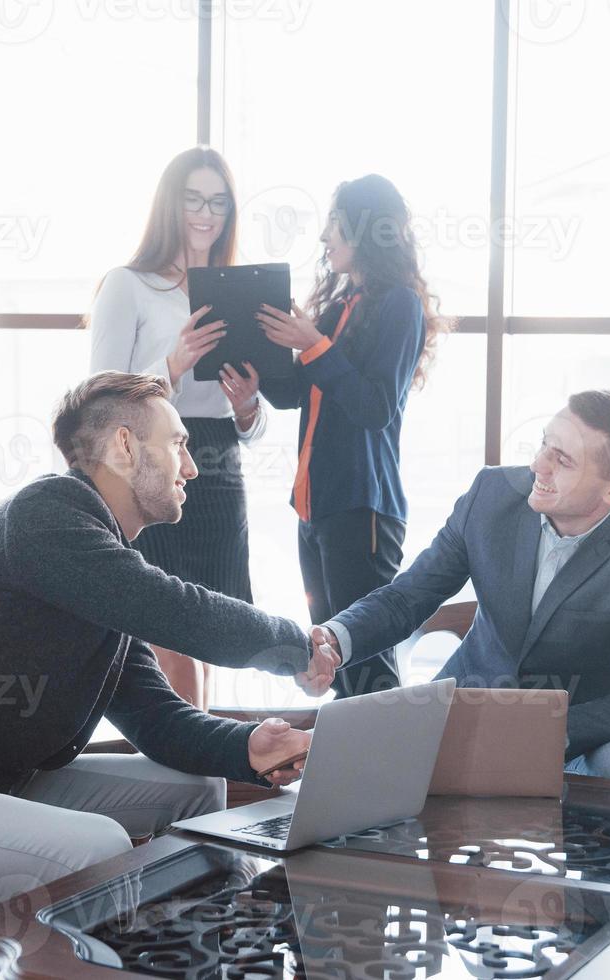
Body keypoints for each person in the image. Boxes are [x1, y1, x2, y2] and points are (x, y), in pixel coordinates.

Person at [0, 372, 312, 909]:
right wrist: (299, 649)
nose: (191, 467)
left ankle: (189, 947)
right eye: (179, 444)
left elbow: (157, 719)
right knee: (100, 847)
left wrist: (246, 747)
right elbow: (180, 612)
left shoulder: (94, 564)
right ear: (125, 445)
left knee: (197, 788)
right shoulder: (47, 516)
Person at [298, 390, 610, 783]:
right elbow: (408, 597)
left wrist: (532, 729)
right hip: (468, 712)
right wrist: (334, 638)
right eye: (544, 444)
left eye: (563, 460)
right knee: (362, 775)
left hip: (577, 740)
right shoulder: (491, 494)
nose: (539, 465)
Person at [256, 174, 450, 698]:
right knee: (334, 663)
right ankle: (355, 778)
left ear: (364, 230)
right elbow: (297, 392)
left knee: (366, 670)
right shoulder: (342, 307)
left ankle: (388, 779)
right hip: (313, 509)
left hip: (362, 511)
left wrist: (314, 344)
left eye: (334, 224)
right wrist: (259, 372)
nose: (324, 237)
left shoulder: (399, 306)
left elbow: (375, 407)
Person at [87, 147, 264, 710]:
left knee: (215, 625)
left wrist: (248, 407)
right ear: (171, 204)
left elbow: (253, 422)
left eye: (218, 201)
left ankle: (204, 752)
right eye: (193, 199)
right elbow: (99, 399)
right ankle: (191, 761)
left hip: (218, 459)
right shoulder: (128, 284)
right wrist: (172, 365)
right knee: (168, 625)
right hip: (153, 462)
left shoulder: (238, 291)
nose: (206, 213)